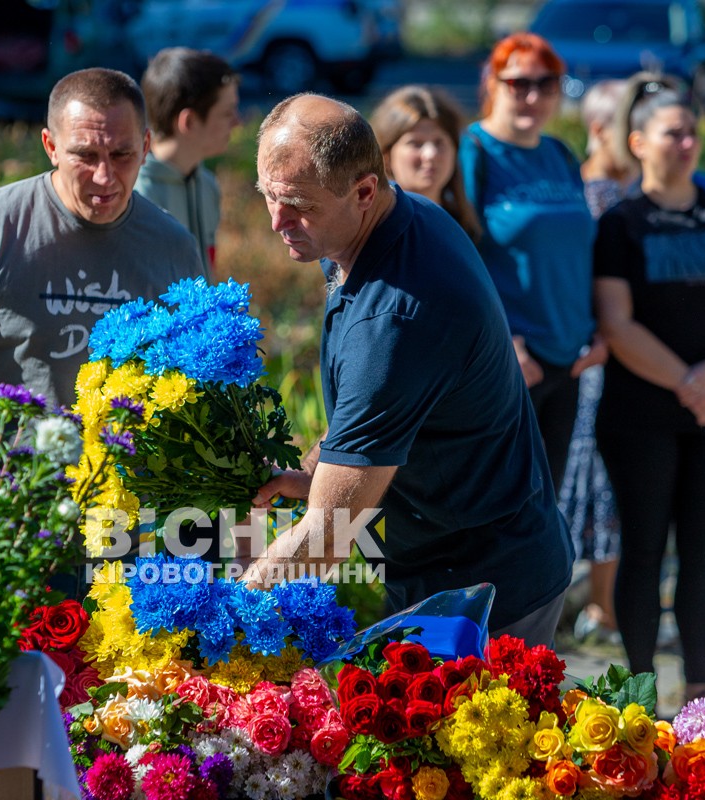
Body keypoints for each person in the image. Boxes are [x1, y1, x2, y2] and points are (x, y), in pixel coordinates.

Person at [246, 93, 574, 647]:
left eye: (297, 204)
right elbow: (380, 407)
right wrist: (318, 474)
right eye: (268, 197)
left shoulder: (393, 317)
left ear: (364, 191)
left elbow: (328, 538)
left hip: (486, 591)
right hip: (447, 560)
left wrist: (234, 604)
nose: (278, 220)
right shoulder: (394, 217)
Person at [0, 67, 204, 478]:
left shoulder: (173, 247)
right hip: (1, 522)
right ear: (51, 146)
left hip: (124, 528)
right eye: (86, 155)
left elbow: (196, 403)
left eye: (122, 154)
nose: (105, 176)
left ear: (146, 146)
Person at [593, 83, 705, 703]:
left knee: (703, 550)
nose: (687, 142)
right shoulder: (622, 223)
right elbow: (616, 322)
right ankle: (639, 697)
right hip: (641, 414)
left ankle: (700, 692)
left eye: (692, 131)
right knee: (643, 548)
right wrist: (687, 381)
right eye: (673, 132)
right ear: (639, 143)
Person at [461, 33, 605, 490]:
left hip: (570, 358)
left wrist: (598, 331)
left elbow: (581, 250)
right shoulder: (474, 151)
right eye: (518, 82)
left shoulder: (559, 154)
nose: (532, 95)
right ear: (492, 82)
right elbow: (456, 259)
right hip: (510, 361)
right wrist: (506, 342)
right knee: (502, 504)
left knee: (547, 507)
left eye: (547, 84)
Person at [563, 78, 637, 644]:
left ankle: (608, 608)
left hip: (629, 359)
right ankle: (590, 609)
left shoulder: (629, 189)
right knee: (589, 478)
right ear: (597, 129)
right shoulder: (587, 195)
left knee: (612, 480)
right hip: (595, 357)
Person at [134, 47, 241, 271]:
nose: (237, 123)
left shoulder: (207, 185)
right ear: (189, 122)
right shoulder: (137, 196)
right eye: (227, 113)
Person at [369, 84, 481, 241]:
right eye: (415, 143)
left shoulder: (464, 225)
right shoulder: (370, 231)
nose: (430, 154)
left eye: (439, 142)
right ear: (386, 156)